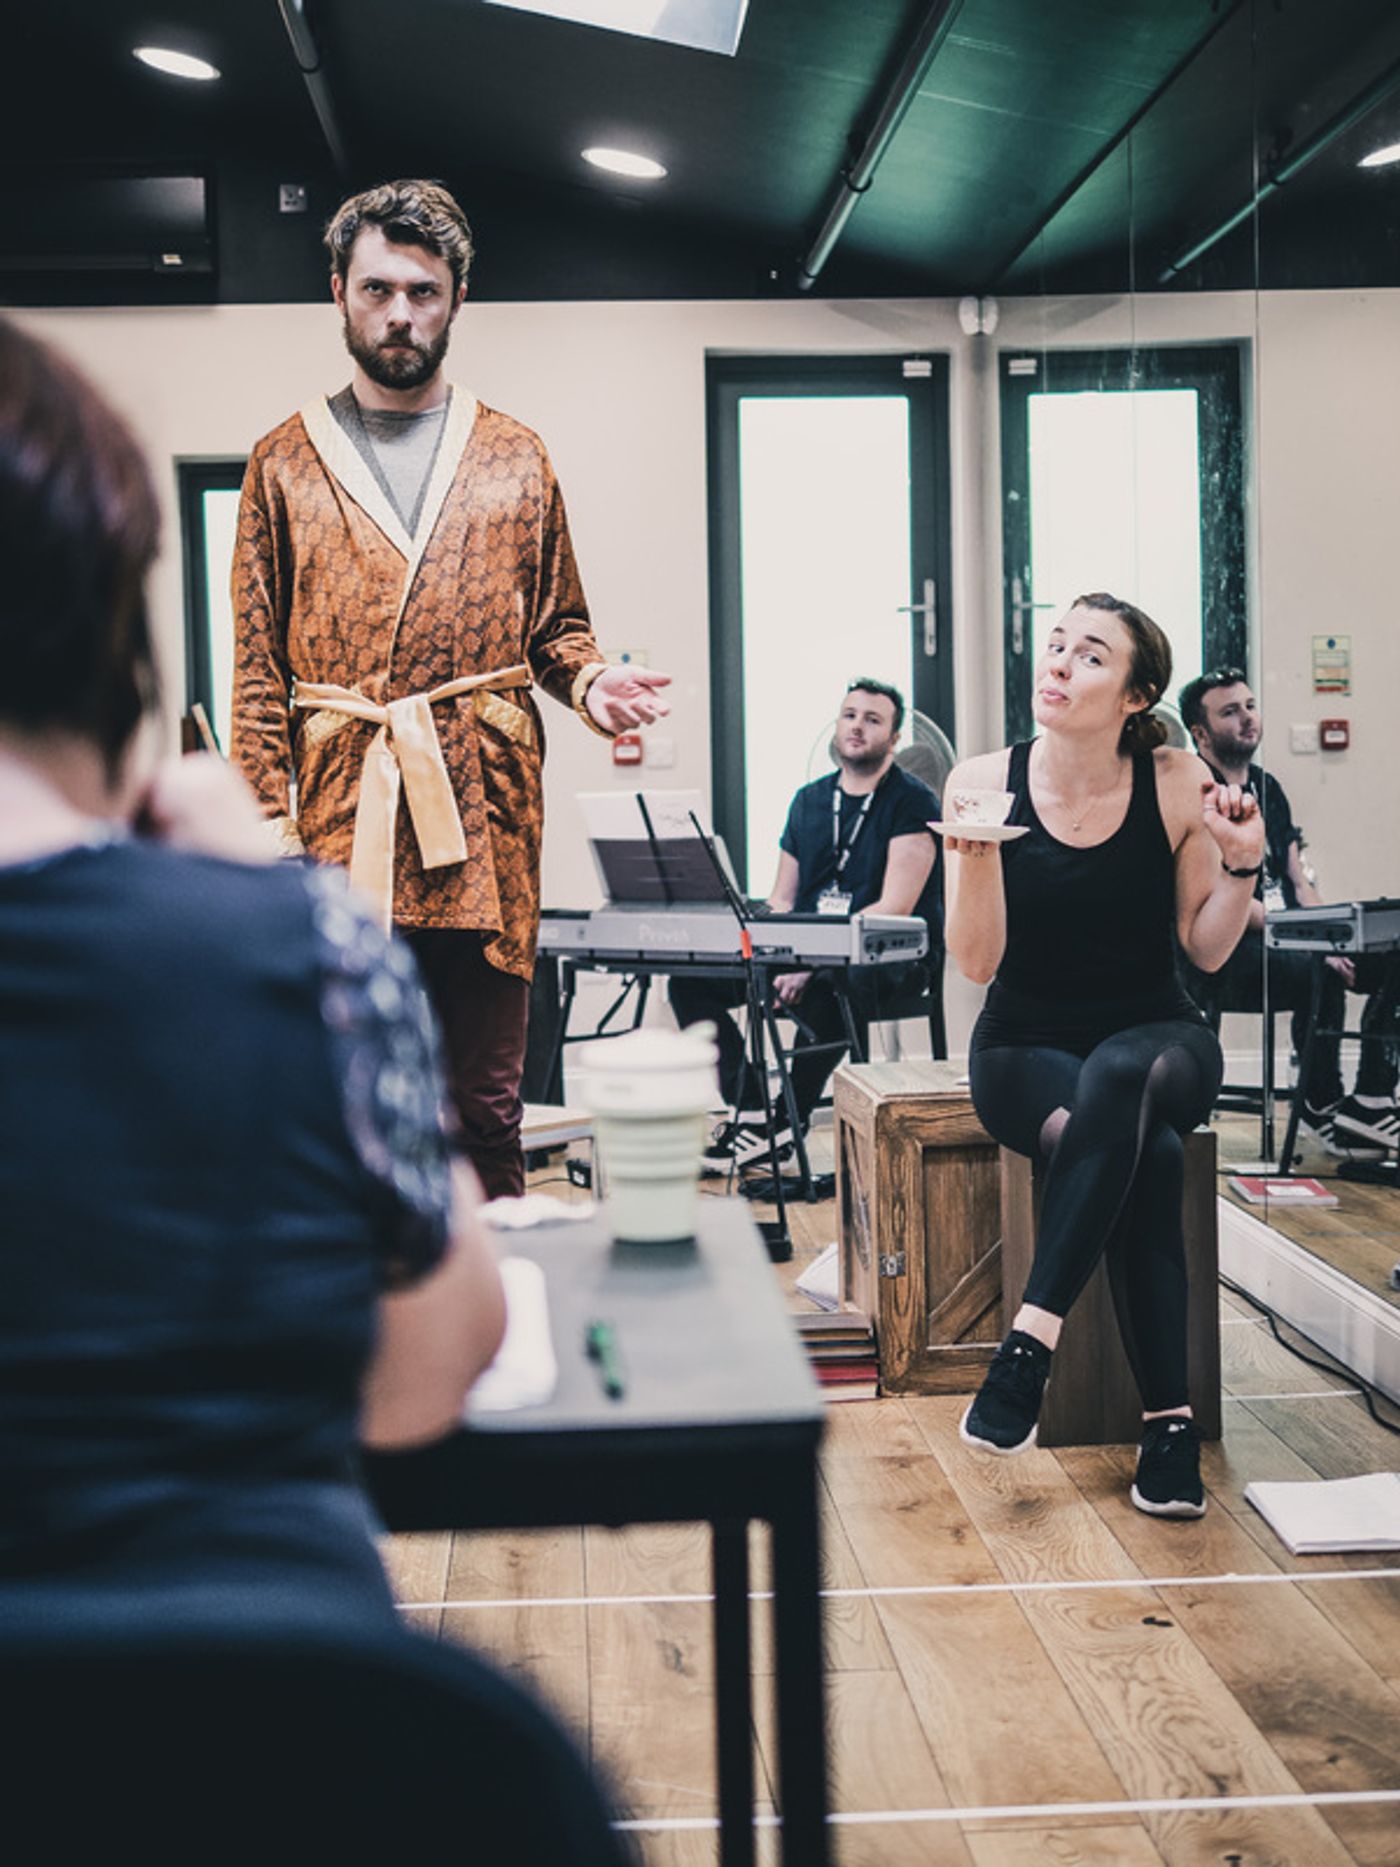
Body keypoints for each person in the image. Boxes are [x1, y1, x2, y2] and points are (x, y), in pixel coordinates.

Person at [0, 317, 508, 1634]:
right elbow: (420, 1381)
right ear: (113, 645)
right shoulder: (303, 945)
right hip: (264, 1700)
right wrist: (300, 901)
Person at [231, 179, 671, 1199]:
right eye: (378, 289)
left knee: (486, 1108)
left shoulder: (516, 454)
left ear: (457, 299)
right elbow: (257, 681)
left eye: (423, 292)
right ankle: (371, 1343)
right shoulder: (282, 464)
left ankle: (502, 1333)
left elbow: (558, 628)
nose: (399, 314)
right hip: (342, 828)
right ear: (337, 291)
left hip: (484, 815)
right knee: (352, 1105)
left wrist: (592, 682)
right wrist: (272, 845)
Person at [947, 594, 1264, 1518]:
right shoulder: (979, 776)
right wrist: (971, 857)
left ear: (1136, 694)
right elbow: (975, 962)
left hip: (1158, 1035)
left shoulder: (1173, 777)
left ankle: (1027, 1349)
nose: (1058, 664)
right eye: (1054, 646)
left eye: (1089, 655)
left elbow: (1204, 949)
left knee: (1121, 1078)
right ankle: (1169, 1426)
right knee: (1148, 1150)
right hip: (1022, 1046)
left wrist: (1242, 863)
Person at [670, 678, 940, 1170]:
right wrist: (775, 955)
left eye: (873, 719)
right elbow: (782, 899)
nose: (857, 726)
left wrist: (811, 964)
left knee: (835, 985)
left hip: (889, 955)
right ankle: (751, 1108)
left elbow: (895, 908)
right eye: (850, 715)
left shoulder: (913, 801)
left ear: (894, 738)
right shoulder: (808, 801)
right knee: (690, 982)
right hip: (807, 953)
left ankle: (784, 1123)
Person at [1178, 667, 1398, 1158]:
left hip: (1291, 934)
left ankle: (1370, 1098)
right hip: (1229, 946)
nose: (1247, 719)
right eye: (1230, 712)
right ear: (1200, 732)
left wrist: (1332, 932)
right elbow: (1222, 891)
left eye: (1250, 706)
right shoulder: (1194, 789)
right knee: (1317, 965)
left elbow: (1300, 880)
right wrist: (1311, 941)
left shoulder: (1267, 786)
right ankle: (1320, 1101)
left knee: (1391, 952)